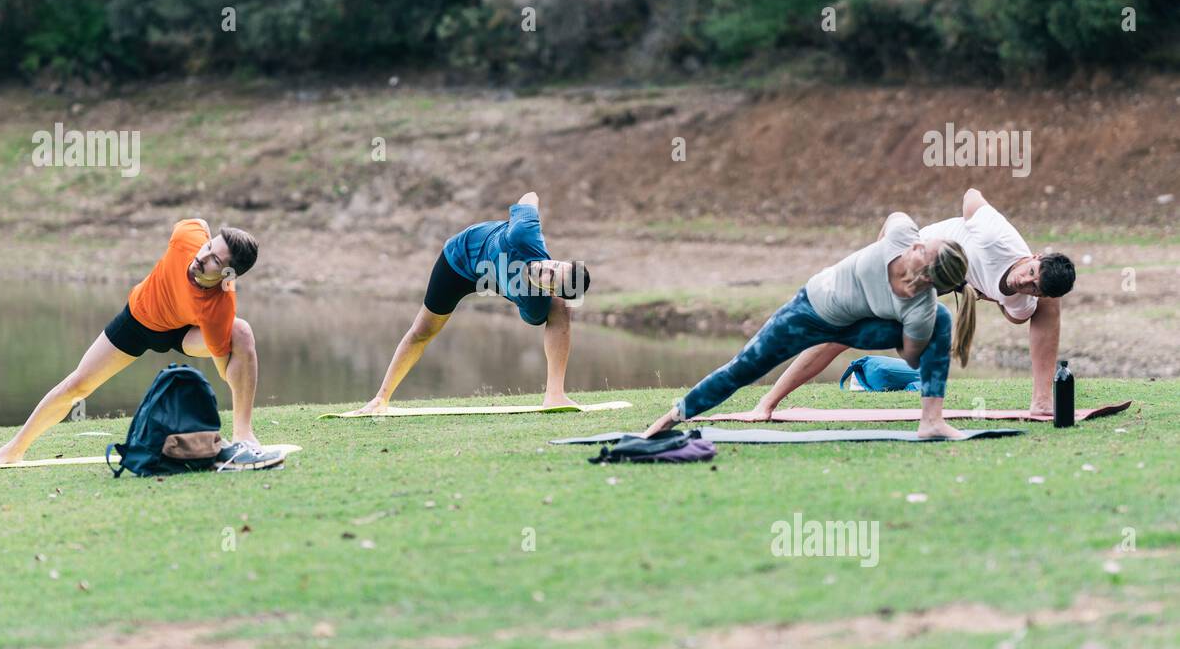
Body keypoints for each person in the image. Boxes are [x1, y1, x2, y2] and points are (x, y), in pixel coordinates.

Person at [744, 188, 1076, 419]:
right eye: (1030, 272)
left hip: (950, 283)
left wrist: (978, 290)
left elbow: (1017, 316)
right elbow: (971, 195)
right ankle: (767, 402)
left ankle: (1042, 402)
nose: (1025, 281)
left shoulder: (1025, 298)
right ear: (1034, 256)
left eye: (1034, 287)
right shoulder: (996, 236)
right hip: (923, 261)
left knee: (1051, 306)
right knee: (842, 332)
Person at [643, 213, 972, 439]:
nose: (916, 244)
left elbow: (914, 356)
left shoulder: (921, 308)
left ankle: (932, 422)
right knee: (742, 369)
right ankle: (667, 420)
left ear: (928, 277)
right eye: (921, 242)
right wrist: (876, 255)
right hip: (809, 312)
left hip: (856, 326)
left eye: (922, 251)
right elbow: (894, 216)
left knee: (941, 319)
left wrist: (910, 329)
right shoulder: (901, 236)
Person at [0, 218, 277, 468]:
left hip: (182, 333)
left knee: (241, 333)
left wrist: (227, 354)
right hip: (138, 319)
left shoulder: (219, 308)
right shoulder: (187, 237)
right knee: (78, 385)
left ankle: (244, 437)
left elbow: (227, 369)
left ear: (227, 275)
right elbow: (199, 223)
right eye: (209, 246)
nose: (202, 256)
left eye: (215, 260)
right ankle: (13, 450)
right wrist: (209, 240)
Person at [351, 192, 590, 415]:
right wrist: (529, 212)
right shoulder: (525, 233)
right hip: (461, 258)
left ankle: (555, 396)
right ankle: (380, 400)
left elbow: (544, 315)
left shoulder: (535, 303)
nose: (546, 268)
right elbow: (530, 195)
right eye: (555, 265)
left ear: (550, 290)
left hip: (496, 277)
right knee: (423, 330)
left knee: (561, 308)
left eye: (550, 277)